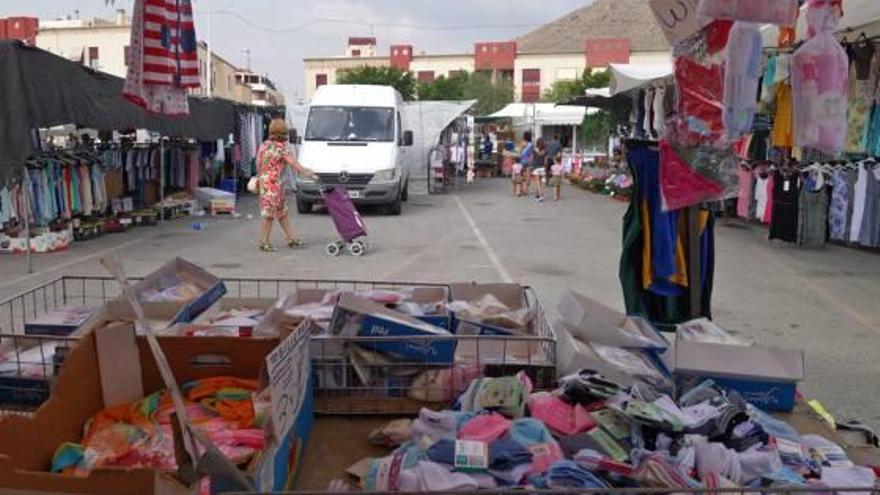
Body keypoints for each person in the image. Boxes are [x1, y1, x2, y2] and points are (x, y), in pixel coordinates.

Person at [256, 118, 317, 252]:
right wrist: (308, 172)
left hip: (265, 181)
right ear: (283, 131)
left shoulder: (264, 145)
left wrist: (262, 177)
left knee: (281, 212)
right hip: (274, 184)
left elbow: (258, 164)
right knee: (270, 214)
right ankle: (264, 241)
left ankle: (291, 238)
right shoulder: (281, 148)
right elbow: (293, 164)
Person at [519, 131, 535, 196]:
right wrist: (531, 161)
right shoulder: (531, 144)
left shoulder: (522, 143)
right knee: (528, 177)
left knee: (522, 176)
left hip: (522, 161)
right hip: (528, 161)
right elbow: (532, 154)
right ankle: (526, 189)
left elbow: (519, 152)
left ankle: (522, 189)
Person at [532, 138, 547, 202]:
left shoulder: (534, 150)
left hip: (536, 167)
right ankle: (538, 194)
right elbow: (546, 161)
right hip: (542, 167)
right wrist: (546, 168)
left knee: (537, 182)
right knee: (542, 182)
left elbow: (533, 159)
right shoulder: (545, 151)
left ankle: (540, 195)